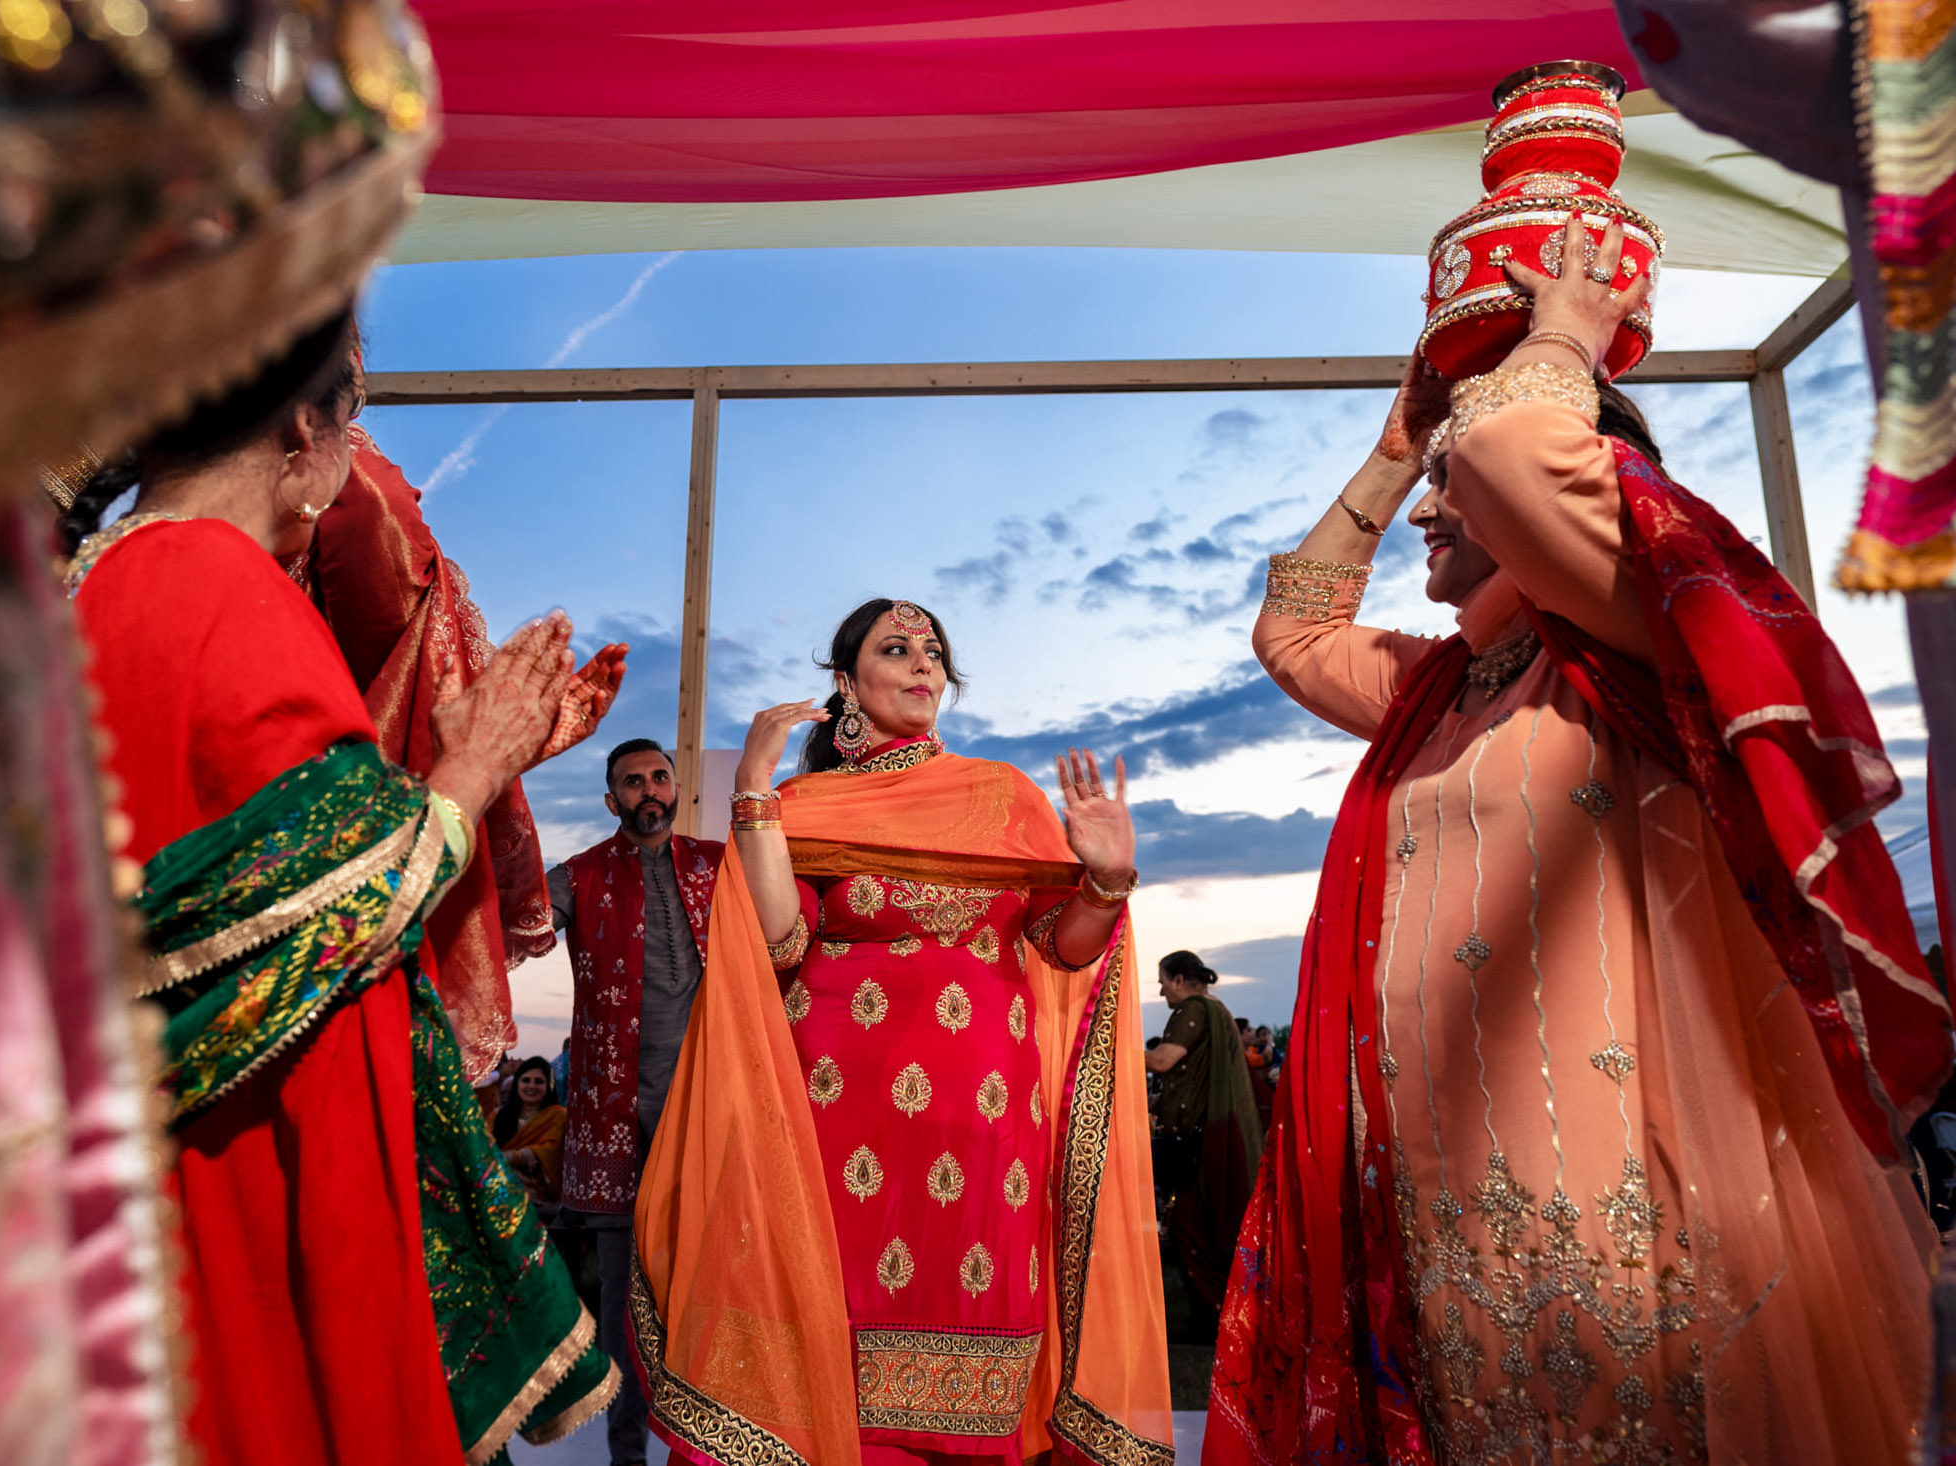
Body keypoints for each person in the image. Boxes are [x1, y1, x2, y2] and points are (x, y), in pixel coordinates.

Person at [1209, 217, 1948, 1465]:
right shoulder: (1437, 690)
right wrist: (1395, 452)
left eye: (1453, 488)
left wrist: (1560, 333)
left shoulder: (1623, 637)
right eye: (1435, 486)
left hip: (1613, 1173)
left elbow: (1506, 447)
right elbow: (1290, 630)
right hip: (1442, 1181)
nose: (1438, 510)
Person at [62, 310, 617, 1466]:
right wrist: (474, 765)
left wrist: (449, 770)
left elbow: (247, 873)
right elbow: (345, 905)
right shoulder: (225, 579)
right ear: (307, 428)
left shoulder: (91, 585)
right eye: (355, 420)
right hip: (253, 1138)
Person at [632, 598, 1171, 1466]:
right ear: (847, 683)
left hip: (986, 1119)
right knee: (830, 1342)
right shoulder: (807, 804)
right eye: (896, 649)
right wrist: (755, 799)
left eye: (934, 651)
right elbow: (777, 943)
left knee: (978, 1353)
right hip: (837, 1117)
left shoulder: (1001, 797)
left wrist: (1106, 882)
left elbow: (1060, 949)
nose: (924, 664)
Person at [303, 424, 625, 1081]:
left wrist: (505, 744)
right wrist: (483, 758)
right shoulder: (356, 510)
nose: (414, 491)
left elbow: (399, 734)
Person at [547, 736, 722, 1466]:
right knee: (622, 1295)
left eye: (659, 778)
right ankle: (627, 1455)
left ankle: (709, 1443)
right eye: (632, 783)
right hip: (616, 1111)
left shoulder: (719, 866)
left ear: (676, 786)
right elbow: (514, 926)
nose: (649, 791)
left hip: (711, 1107)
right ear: (610, 798)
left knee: (714, 1282)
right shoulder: (580, 876)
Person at [1144, 952, 1263, 1325]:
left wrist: (1109, 1047)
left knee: (1190, 1227)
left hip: (1194, 1140)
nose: (1162, 990)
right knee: (1197, 1223)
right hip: (1203, 1135)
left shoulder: (1192, 1010)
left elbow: (1163, 1061)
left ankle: (1217, 1315)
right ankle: (1221, 1312)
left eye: (1163, 981)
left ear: (1179, 979)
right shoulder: (1218, 1009)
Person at [494, 1056, 568, 1211]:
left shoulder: (558, 1116)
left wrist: (507, 1158)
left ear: (550, 1086)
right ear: (517, 1084)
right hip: (498, 1182)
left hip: (538, 1191)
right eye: (526, 1080)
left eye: (539, 1081)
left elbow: (551, 1151)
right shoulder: (498, 1116)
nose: (531, 1086)